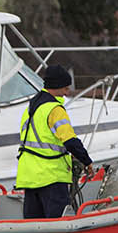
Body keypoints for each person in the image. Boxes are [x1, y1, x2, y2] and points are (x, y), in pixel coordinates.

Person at [15, 64, 94, 219]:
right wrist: (87, 162)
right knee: (57, 225)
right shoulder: (55, 110)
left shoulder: (31, 109)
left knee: (35, 228)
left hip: (30, 177)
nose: (67, 92)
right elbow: (70, 140)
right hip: (51, 177)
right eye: (65, 88)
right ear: (57, 86)